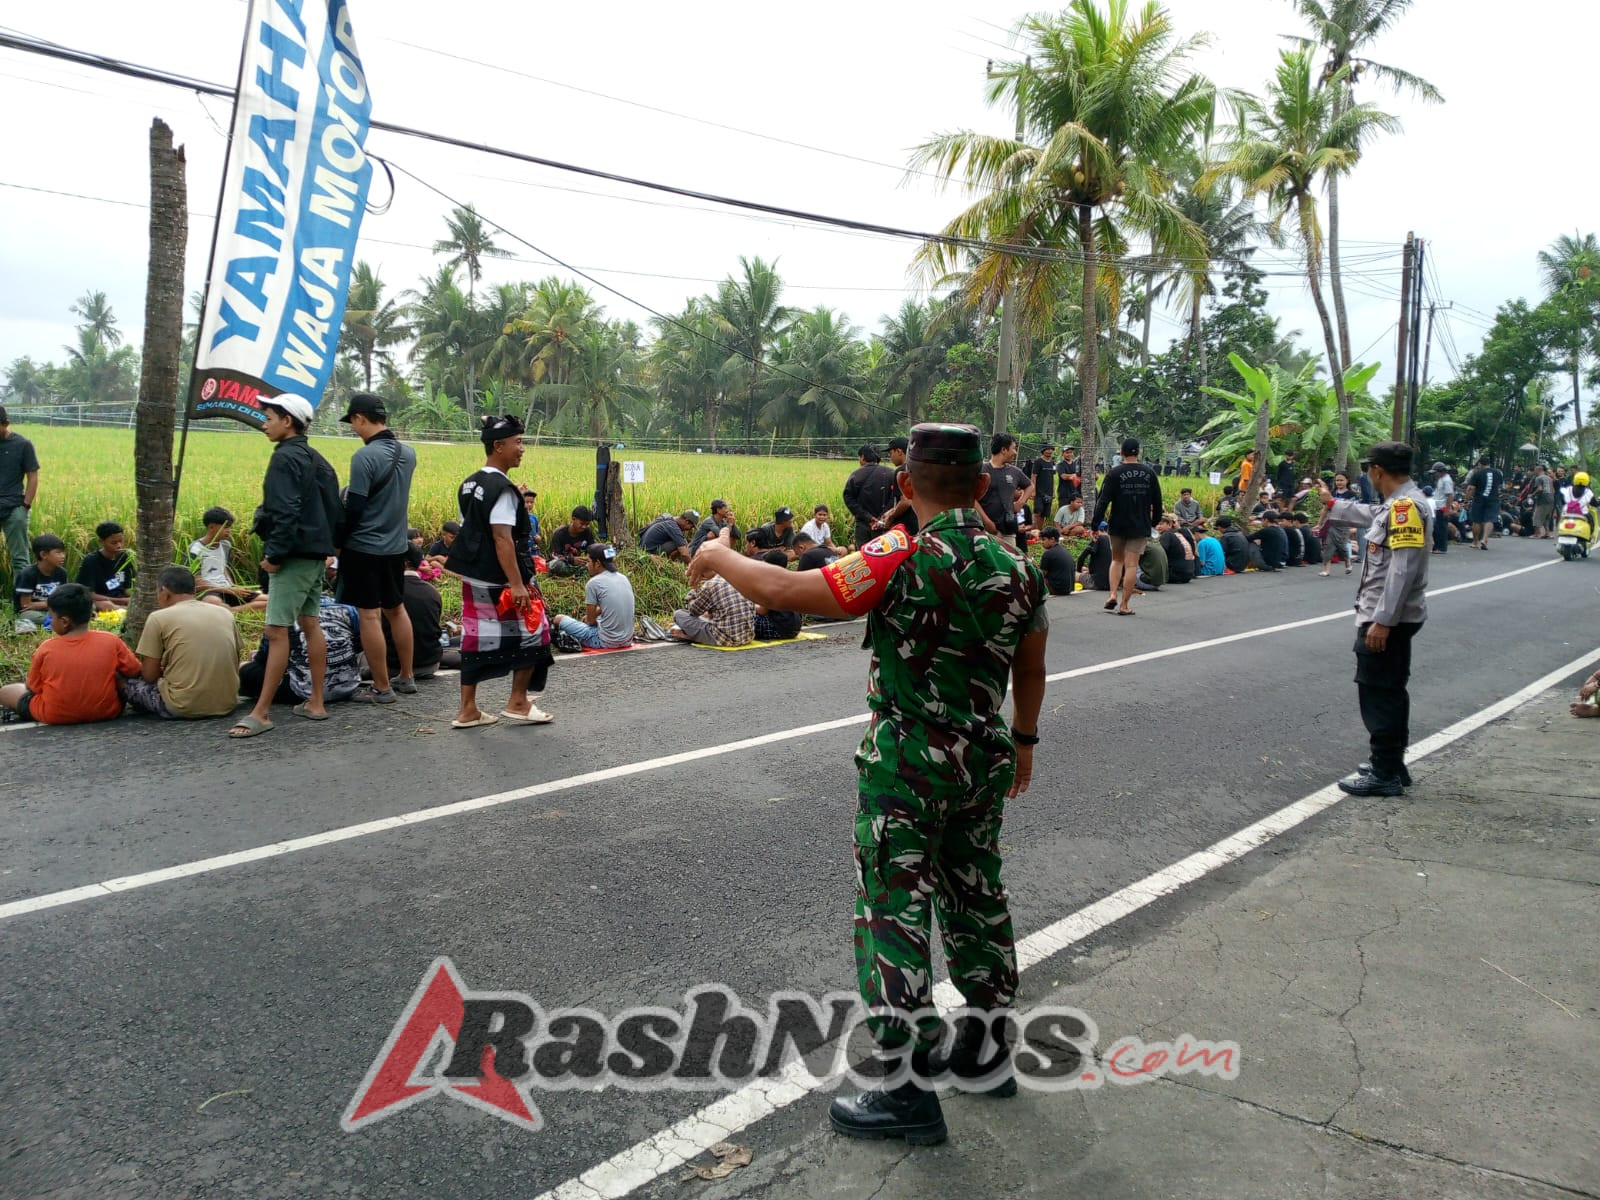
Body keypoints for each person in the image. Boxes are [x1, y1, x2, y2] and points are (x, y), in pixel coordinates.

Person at [689, 422, 1046, 1142]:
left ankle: (905, 1088)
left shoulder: (897, 552)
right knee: (977, 893)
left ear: (906, 486)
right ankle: (983, 1050)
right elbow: (1031, 666)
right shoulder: (1018, 567)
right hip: (984, 753)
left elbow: (793, 587)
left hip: (909, 760)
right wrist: (1026, 738)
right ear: (982, 486)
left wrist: (719, 554)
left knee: (894, 906)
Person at [1318, 442, 1431, 796]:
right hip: (1389, 613)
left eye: (1369, 469)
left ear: (1378, 471)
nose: (1368, 475)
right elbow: (1370, 515)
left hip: (1387, 617)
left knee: (1379, 693)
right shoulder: (1398, 505)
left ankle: (1384, 772)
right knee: (1389, 689)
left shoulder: (1406, 507)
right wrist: (1332, 504)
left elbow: (1402, 569)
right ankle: (1391, 763)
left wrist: (1383, 620)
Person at [226, 396, 341, 738]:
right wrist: (327, 548)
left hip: (293, 556)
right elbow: (335, 509)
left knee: (277, 631)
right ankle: (315, 702)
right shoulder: (317, 459)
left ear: (287, 421)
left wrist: (274, 555)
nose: (264, 423)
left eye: (269, 417)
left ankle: (260, 713)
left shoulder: (284, 458)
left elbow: (285, 511)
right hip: (315, 555)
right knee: (310, 623)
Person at [444, 414, 555, 729]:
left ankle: (468, 710)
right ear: (498, 445)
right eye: (517, 442)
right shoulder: (503, 489)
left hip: (475, 575)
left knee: (476, 638)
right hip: (504, 579)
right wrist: (518, 585)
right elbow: (501, 537)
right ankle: (518, 702)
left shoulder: (470, 483)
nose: (522, 449)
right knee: (535, 632)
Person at [336, 392, 419, 705]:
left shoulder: (364, 457)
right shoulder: (408, 453)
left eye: (353, 422)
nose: (354, 429)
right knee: (396, 609)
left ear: (360, 418)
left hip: (365, 548)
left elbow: (355, 506)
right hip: (396, 547)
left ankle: (382, 687)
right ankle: (407, 676)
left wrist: (338, 541)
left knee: (369, 615)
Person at [0, 583, 139, 724]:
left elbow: (33, 687)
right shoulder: (111, 640)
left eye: (51, 617)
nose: (50, 621)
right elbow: (134, 671)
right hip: (108, 711)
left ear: (64, 621)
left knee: (6, 691)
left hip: (54, 714)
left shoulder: (47, 648)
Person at [122, 566, 242, 720]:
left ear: (164, 592)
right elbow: (235, 661)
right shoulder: (224, 613)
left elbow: (150, 675)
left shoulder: (158, 618)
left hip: (182, 706)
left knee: (123, 682)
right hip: (227, 703)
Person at [239, 600, 363, 706]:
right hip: (350, 685)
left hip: (303, 691)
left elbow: (264, 659)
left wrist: (253, 657)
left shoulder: (282, 613)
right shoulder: (345, 608)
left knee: (244, 667)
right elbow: (358, 645)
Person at [1091, 437, 1162, 615]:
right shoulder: (1149, 473)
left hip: (1118, 524)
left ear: (1121, 452)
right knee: (1131, 565)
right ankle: (1124, 605)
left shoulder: (1114, 473)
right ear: (1138, 452)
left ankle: (1113, 594)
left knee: (1116, 560)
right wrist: (1152, 523)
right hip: (1140, 526)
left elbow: (1102, 501)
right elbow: (1158, 503)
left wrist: (1095, 524)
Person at [554, 543, 636, 649]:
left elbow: (591, 622)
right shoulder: (623, 578)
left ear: (597, 563)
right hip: (627, 640)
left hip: (605, 641)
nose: (586, 565)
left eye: (588, 561)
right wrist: (593, 615)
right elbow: (610, 604)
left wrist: (588, 618)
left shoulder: (593, 583)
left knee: (558, 619)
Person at [383, 546, 443, 679]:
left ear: (404, 563)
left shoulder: (387, 590)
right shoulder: (432, 591)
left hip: (393, 666)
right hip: (430, 664)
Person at [0, 404, 40, 589]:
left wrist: (25, 505)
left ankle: (21, 604)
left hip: (14, 507)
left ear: (6, 423)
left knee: (20, 558)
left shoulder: (22, 444)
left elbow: (32, 475)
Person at [670, 564, 758, 646]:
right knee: (708, 615)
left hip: (724, 639)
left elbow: (694, 611)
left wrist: (694, 588)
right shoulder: (738, 578)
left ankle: (692, 637)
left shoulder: (710, 585)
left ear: (702, 574)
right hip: (747, 637)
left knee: (679, 614)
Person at [977, 433, 1032, 549]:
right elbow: (971, 499)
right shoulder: (981, 470)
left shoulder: (1015, 472)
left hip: (1008, 529)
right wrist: (987, 522)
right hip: (983, 530)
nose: (1015, 452)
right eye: (1013, 448)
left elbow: (1030, 486)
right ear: (1003, 450)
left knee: (1009, 563)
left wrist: (1020, 503)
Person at [843, 446, 899, 549]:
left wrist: (868, 517)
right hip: (885, 524)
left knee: (862, 556)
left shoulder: (856, 474)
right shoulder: (892, 473)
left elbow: (848, 498)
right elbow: (896, 498)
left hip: (863, 524)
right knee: (883, 555)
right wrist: (882, 517)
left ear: (863, 457)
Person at [74, 521, 135, 611]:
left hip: (122, 600)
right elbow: (88, 593)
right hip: (102, 600)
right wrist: (121, 601)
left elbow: (127, 588)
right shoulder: (91, 561)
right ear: (101, 541)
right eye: (114, 543)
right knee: (105, 605)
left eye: (121, 541)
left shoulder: (125, 557)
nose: (119, 546)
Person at [12, 532, 68, 623]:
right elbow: (26, 605)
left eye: (63, 552)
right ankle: (59, 621)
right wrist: (54, 604)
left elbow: (63, 599)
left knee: (85, 605)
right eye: (58, 552)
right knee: (28, 616)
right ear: (43, 555)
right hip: (33, 612)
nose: (63, 556)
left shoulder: (62, 573)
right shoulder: (27, 574)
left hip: (54, 609)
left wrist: (41, 605)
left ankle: (57, 620)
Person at [751, 550, 805, 640]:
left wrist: (750, 606)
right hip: (794, 629)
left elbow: (762, 611)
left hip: (779, 629)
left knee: (746, 616)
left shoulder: (771, 583)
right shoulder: (791, 579)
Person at [880, 437, 921, 537]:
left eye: (891, 453)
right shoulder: (919, 469)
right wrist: (891, 511)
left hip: (908, 528)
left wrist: (891, 518)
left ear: (899, 451)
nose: (890, 457)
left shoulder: (901, 472)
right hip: (921, 523)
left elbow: (906, 501)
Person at [1320, 471, 1359, 575]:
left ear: (1347, 481)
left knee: (1342, 546)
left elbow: (1354, 510)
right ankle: (1326, 570)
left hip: (1343, 524)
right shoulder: (1332, 493)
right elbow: (1325, 507)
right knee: (1328, 545)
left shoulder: (1352, 495)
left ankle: (1348, 562)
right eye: (1337, 480)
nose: (1339, 482)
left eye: (1341, 480)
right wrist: (1320, 523)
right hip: (1331, 522)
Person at [1462, 456, 1502, 549]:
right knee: (1490, 519)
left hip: (1479, 499)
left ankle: (1475, 542)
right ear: (1489, 464)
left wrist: (1466, 500)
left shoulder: (1477, 473)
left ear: (1480, 464)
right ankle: (1484, 539)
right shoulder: (1498, 473)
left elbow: (1470, 488)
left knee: (1477, 520)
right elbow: (1500, 487)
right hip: (1493, 499)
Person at [546, 507, 597, 576]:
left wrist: (588, 557)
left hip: (581, 563)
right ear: (573, 519)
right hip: (564, 562)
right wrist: (571, 560)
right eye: (582, 524)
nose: (584, 527)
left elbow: (592, 548)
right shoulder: (559, 533)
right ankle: (581, 572)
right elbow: (554, 555)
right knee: (557, 565)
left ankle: (579, 571)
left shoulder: (587, 531)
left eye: (587, 524)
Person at [1558, 470, 1598, 541]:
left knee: (1561, 521)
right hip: (1583, 514)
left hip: (1567, 513)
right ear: (1587, 480)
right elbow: (1594, 503)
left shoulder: (1568, 489)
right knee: (1591, 522)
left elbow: (1562, 500)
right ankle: (1590, 537)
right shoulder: (1588, 491)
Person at [1037, 526, 1075, 595]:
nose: (1041, 542)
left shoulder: (1048, 553)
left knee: (1035, 578)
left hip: (1056, 589)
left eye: (1043, 539)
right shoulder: (1065, 550)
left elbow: (1041, 574)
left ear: (1052, 539)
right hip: (1069, 589)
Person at [1158, 515, 1195, 584]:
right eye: (1156, 524)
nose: (1158, 527)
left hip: (1175, 575)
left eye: (1161, 524)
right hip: (1188, 574)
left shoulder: (1167, 535)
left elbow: (1160, 553)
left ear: (1169, 524)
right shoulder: (1179, 534)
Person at [1076, 527, 1113, 591]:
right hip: (1112, 583)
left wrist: (1079, 572)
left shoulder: (1097, 539)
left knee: (1073, 574)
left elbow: (1081, 558)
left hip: (1097, 582)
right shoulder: (1112, 541)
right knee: (1084, 569)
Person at [1030, 444, 1059, 519]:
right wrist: (1033, 491)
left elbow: (1052, 477)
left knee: (1044, 514)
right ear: (1043, 451)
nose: (1049, 451)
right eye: (1047, 449)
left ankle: (1040, 530)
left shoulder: (1052, 463)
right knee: (1037, 512)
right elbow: (1034, 476)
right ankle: (1035, 530)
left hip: (1048, 493)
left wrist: (1053, 491)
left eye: (1051, 449)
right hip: (1039, 493)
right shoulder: (1038, 462)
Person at [520, 487, 542, 555]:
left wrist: (538, 539)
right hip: (522, 551)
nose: (529, 504)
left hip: (533, 551)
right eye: (527, 502)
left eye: (531, 502)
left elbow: (537, 533)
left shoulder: (534, 518)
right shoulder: (518, 517)